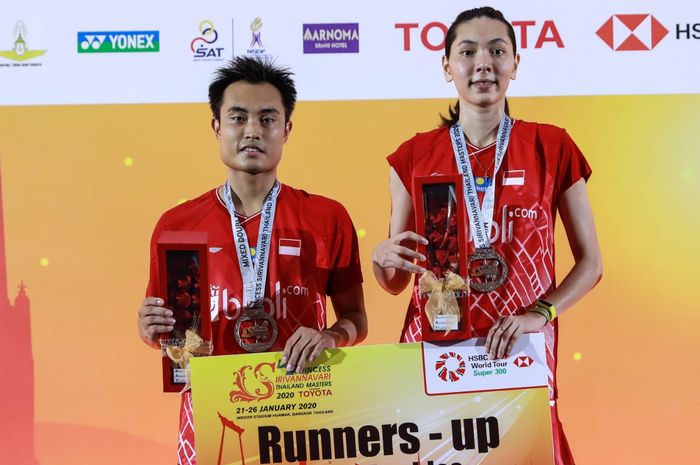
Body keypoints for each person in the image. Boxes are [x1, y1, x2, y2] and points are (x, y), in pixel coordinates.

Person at [371, 7, 602, 465]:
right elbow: (396, 281)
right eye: (467, 51)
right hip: (435, 355)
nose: (483, 63)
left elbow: (591, 264)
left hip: (518, 350)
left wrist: (541, 311)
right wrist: (382, 257)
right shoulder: (414, 155)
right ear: (447, 67)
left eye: (498, 51)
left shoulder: (551, 146)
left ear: (516, 64)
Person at [137, 56, 368, 465]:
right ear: (216, 127)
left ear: (287, 130)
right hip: (212, 412)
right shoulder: (177, 225)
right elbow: (167, 334)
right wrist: (149, 327)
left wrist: (331, 337)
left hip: (303, 412)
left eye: (267, 119)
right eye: (238, 118)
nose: (252, 132)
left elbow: (355, 320)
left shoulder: (327, 217)